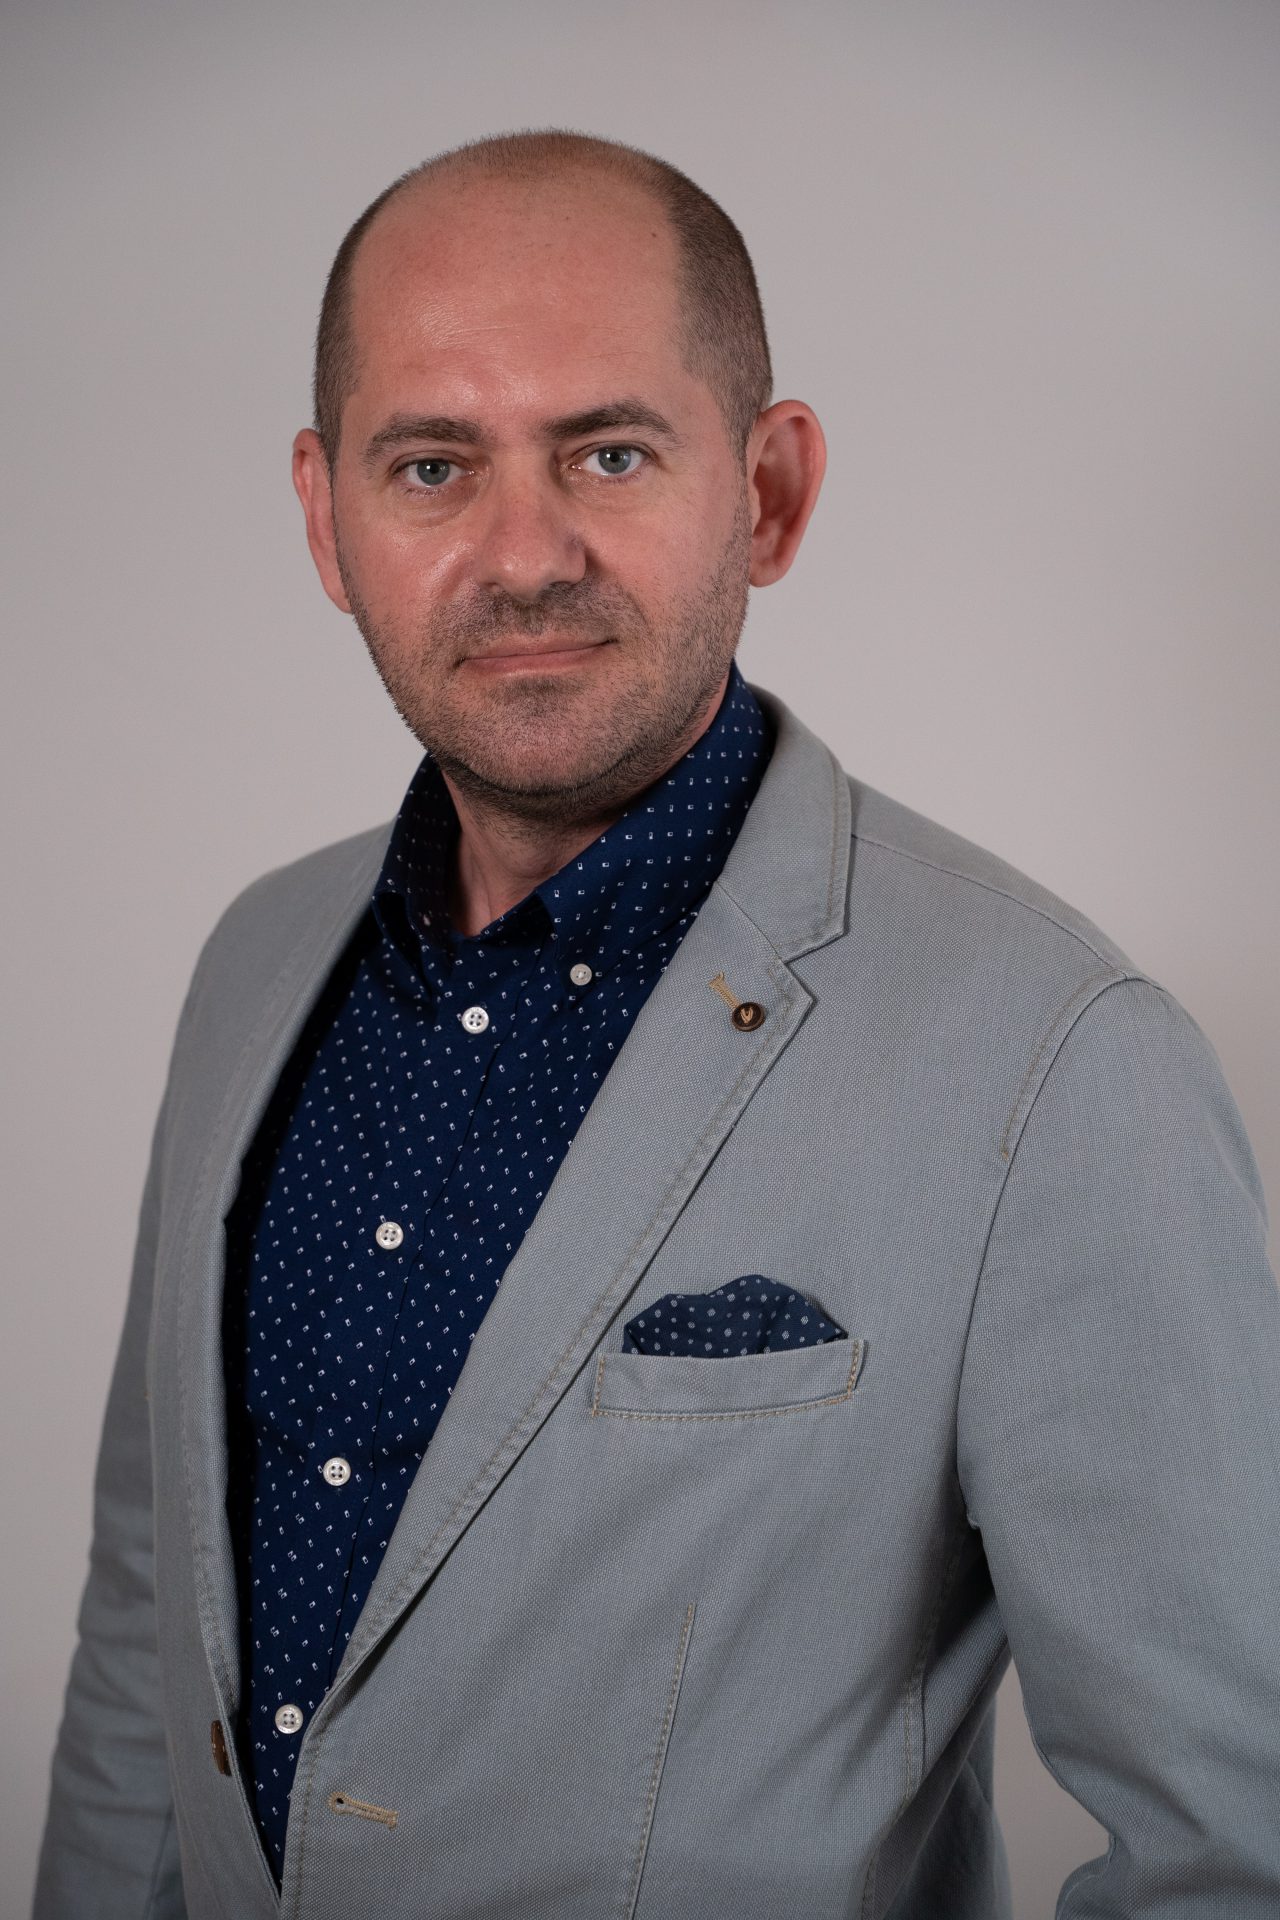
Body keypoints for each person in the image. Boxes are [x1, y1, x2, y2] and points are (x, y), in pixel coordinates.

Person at [34, 130, 1280, 1920]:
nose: (522, 555)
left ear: (767, 492)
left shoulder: (1060, 1060)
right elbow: (151, 1632)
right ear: (326, 518)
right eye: (432, 465)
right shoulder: (254, 963)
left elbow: (1233, 1848)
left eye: (608, 452)